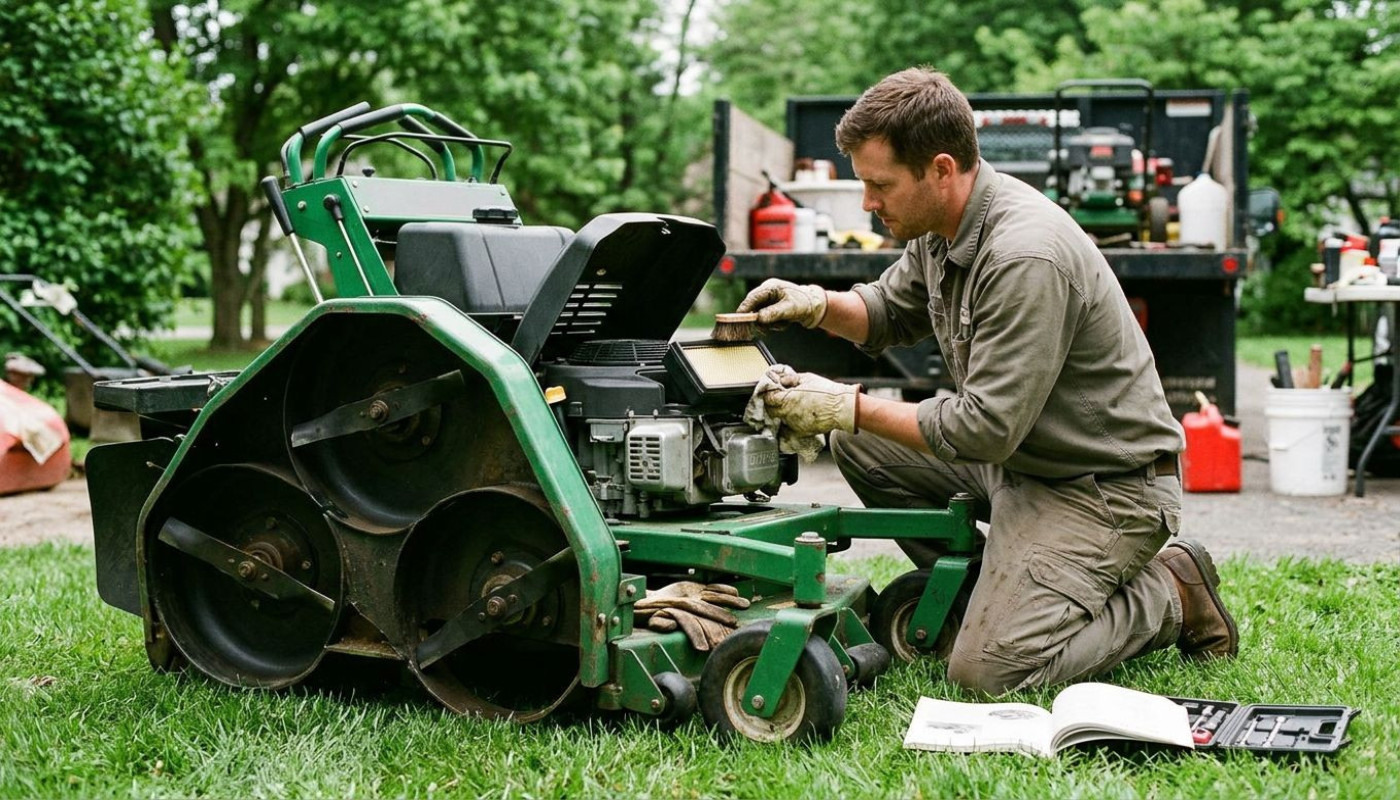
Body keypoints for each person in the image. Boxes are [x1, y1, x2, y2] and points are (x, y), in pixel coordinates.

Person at [737, 67, 1238, 695]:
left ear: (941, 169)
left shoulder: (1024, 254)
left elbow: (985, 428)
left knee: (989, 673)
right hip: (1025, 462)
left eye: (878, 185)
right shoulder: (940, 229)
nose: (868, 203)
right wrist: (815, 304)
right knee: (860, 443)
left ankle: (1170, 592)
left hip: (1102, 488)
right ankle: (995, 601)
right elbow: (888, 312)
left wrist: (845, 404)